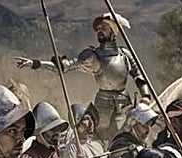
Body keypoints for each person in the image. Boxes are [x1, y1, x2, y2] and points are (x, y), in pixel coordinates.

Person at [14, 13, 144, 140]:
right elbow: (65, 67)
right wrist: (36, 64)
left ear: (113, 30)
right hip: (103, 104)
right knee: (102, 138)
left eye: (103, 27)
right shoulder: (93, 56)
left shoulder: (125, 54)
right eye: (98, 28)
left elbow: (139, 75)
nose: (99, 30)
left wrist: (146, 97)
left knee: (129, 135)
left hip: (125, 102)